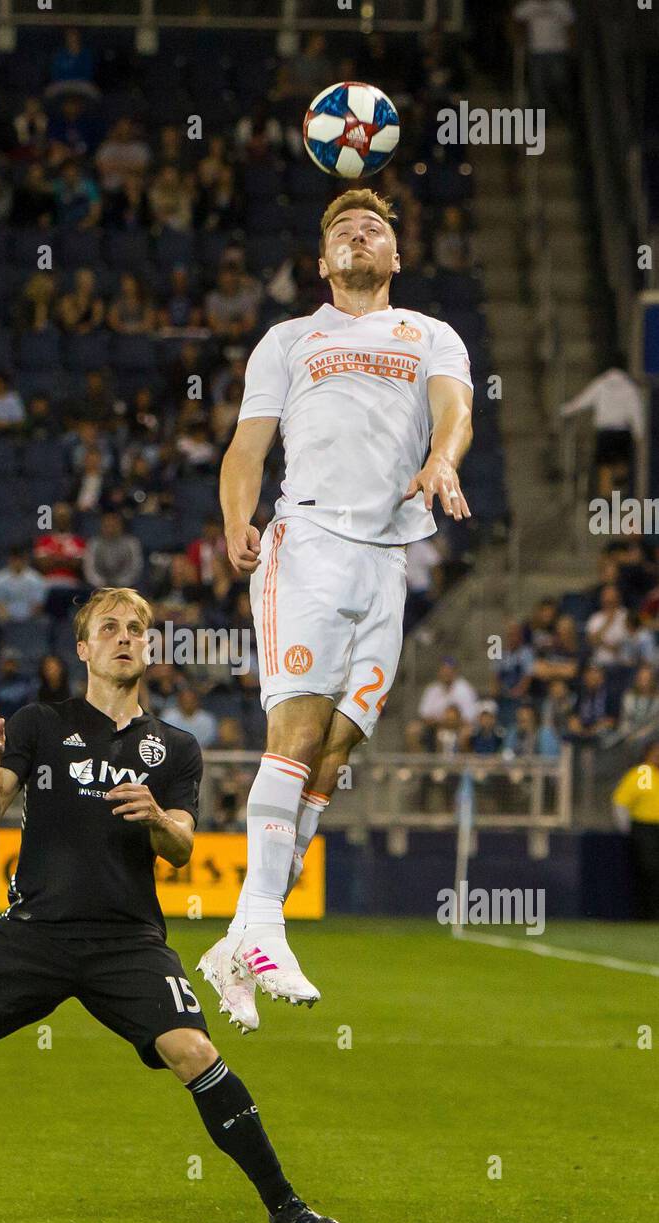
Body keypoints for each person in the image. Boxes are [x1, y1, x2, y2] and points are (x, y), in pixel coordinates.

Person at [0, 586, 339, 1223]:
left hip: (125, 940)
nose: (124, 637)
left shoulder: (174, 747)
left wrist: (158, 817)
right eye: (109, 627)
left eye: (136, 629)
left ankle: (286, 1207)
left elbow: (182, 847)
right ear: (83, 648)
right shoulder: (37, 724)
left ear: (148, 646)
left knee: (193, 1050)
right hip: (37, 930)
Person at [200, 187, 473, 1032]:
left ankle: (235, 943)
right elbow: (247, 447)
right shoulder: (289, 340)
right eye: (344, 231)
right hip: (309, 545)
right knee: (297, 735)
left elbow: (454, 410)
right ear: (322, 263)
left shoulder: (430, 334)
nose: (361, 235)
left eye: (377, 229)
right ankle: (269, 927)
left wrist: (442, 462)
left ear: (397, 257)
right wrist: (236, 520)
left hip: (388, 557)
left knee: (334, 753)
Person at [559, 358, 644, 499]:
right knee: (621, 461)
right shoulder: (629, 387)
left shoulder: (601, 384)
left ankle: (607, 497)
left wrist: (566, 410)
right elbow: (635, 411)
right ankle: (620, 487)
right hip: (622, 433)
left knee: (604, 466)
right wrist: (638, 433)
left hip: (605, 433)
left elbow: (583, 400)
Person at [612, 741, 659, 918]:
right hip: (645, 827)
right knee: (650, 869)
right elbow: (621, 802)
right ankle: (647, 913)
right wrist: (626, 827)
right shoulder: (642, 773)